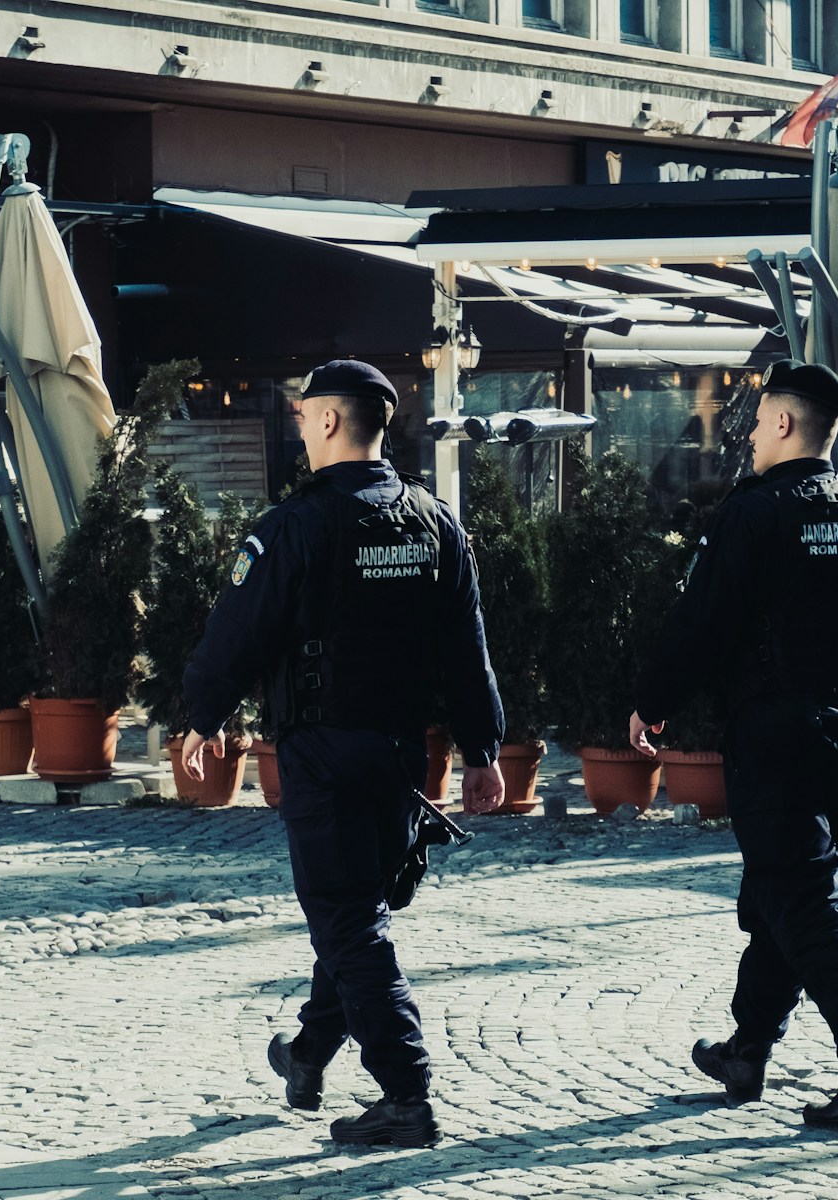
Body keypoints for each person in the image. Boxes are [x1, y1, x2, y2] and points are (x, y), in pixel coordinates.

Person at [181, 358, 505, 1148]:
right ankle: (307, 1052)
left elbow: (238, 633)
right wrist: (483, 748)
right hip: (402, 753)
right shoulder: (434, 523)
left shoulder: (295, 526)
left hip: (321, 751)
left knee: (350, 918)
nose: (296, 422)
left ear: (329, 421)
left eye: (301, 412)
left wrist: (199, 716)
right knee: (357, 904)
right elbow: (468, 649)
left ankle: (407, 1094)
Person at [629, 359, 838, 1130]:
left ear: (787, 424)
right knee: (782, 894)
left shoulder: (752, 515)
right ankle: (748, 1048)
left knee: (804, 902)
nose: (753, 435)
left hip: (773, 734)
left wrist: (653, 705)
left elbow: (701, 624)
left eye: (760, 421)